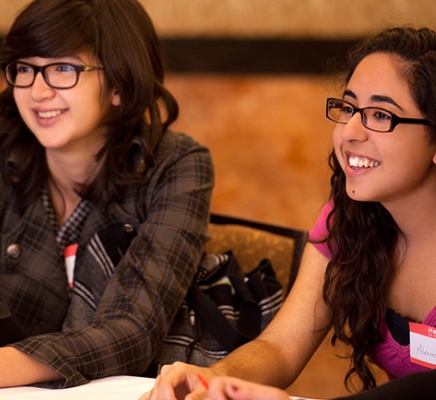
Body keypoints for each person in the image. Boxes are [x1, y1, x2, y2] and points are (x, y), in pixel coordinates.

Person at [0, 0, 214, 397]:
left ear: (120, 83)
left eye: (63, 68)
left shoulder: (177, 164)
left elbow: (130, 332)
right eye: (25, 69)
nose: (38, 90)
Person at [141, 26, 436, 400]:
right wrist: (215, 378)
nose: (349, 131)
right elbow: (281, 347)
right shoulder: (350, 223)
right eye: (348, 108)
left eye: (380, 115)